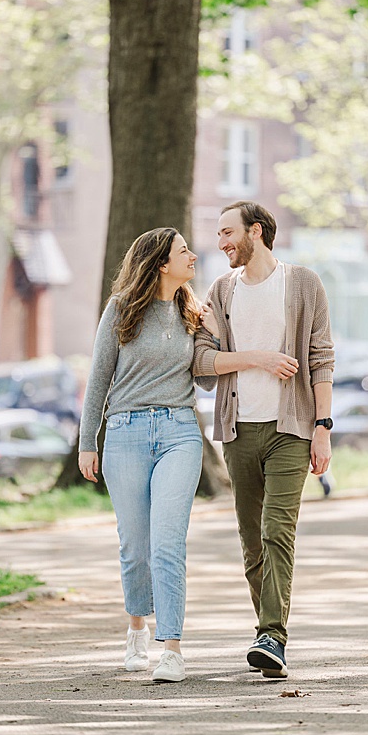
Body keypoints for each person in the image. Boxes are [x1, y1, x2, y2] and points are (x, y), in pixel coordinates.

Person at [193, 200, 335, 680]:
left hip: (290, 430)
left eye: (228, 233)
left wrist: (323, 427)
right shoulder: (220, 290)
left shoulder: (302, 284)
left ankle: (273, 634)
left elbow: (320, 359)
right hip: (237, 432)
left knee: (278, 531)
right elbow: (203, 365)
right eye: (218, 235)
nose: (221, 243)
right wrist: (256, 357)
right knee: (252, 543)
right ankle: (265, 633)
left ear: (257, 231)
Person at [77, 228, 215, 683]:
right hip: (124, 434)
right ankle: (137, 625)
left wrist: (214, 333)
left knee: (167, 543)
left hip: (179, 431)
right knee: (135, 548)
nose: (193, 255)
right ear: (161, 262)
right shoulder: (121, 310)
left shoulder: (192, 312)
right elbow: (98, 378)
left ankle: (172, 648)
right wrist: (87, 442)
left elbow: (209, 382)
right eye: (183, 251)